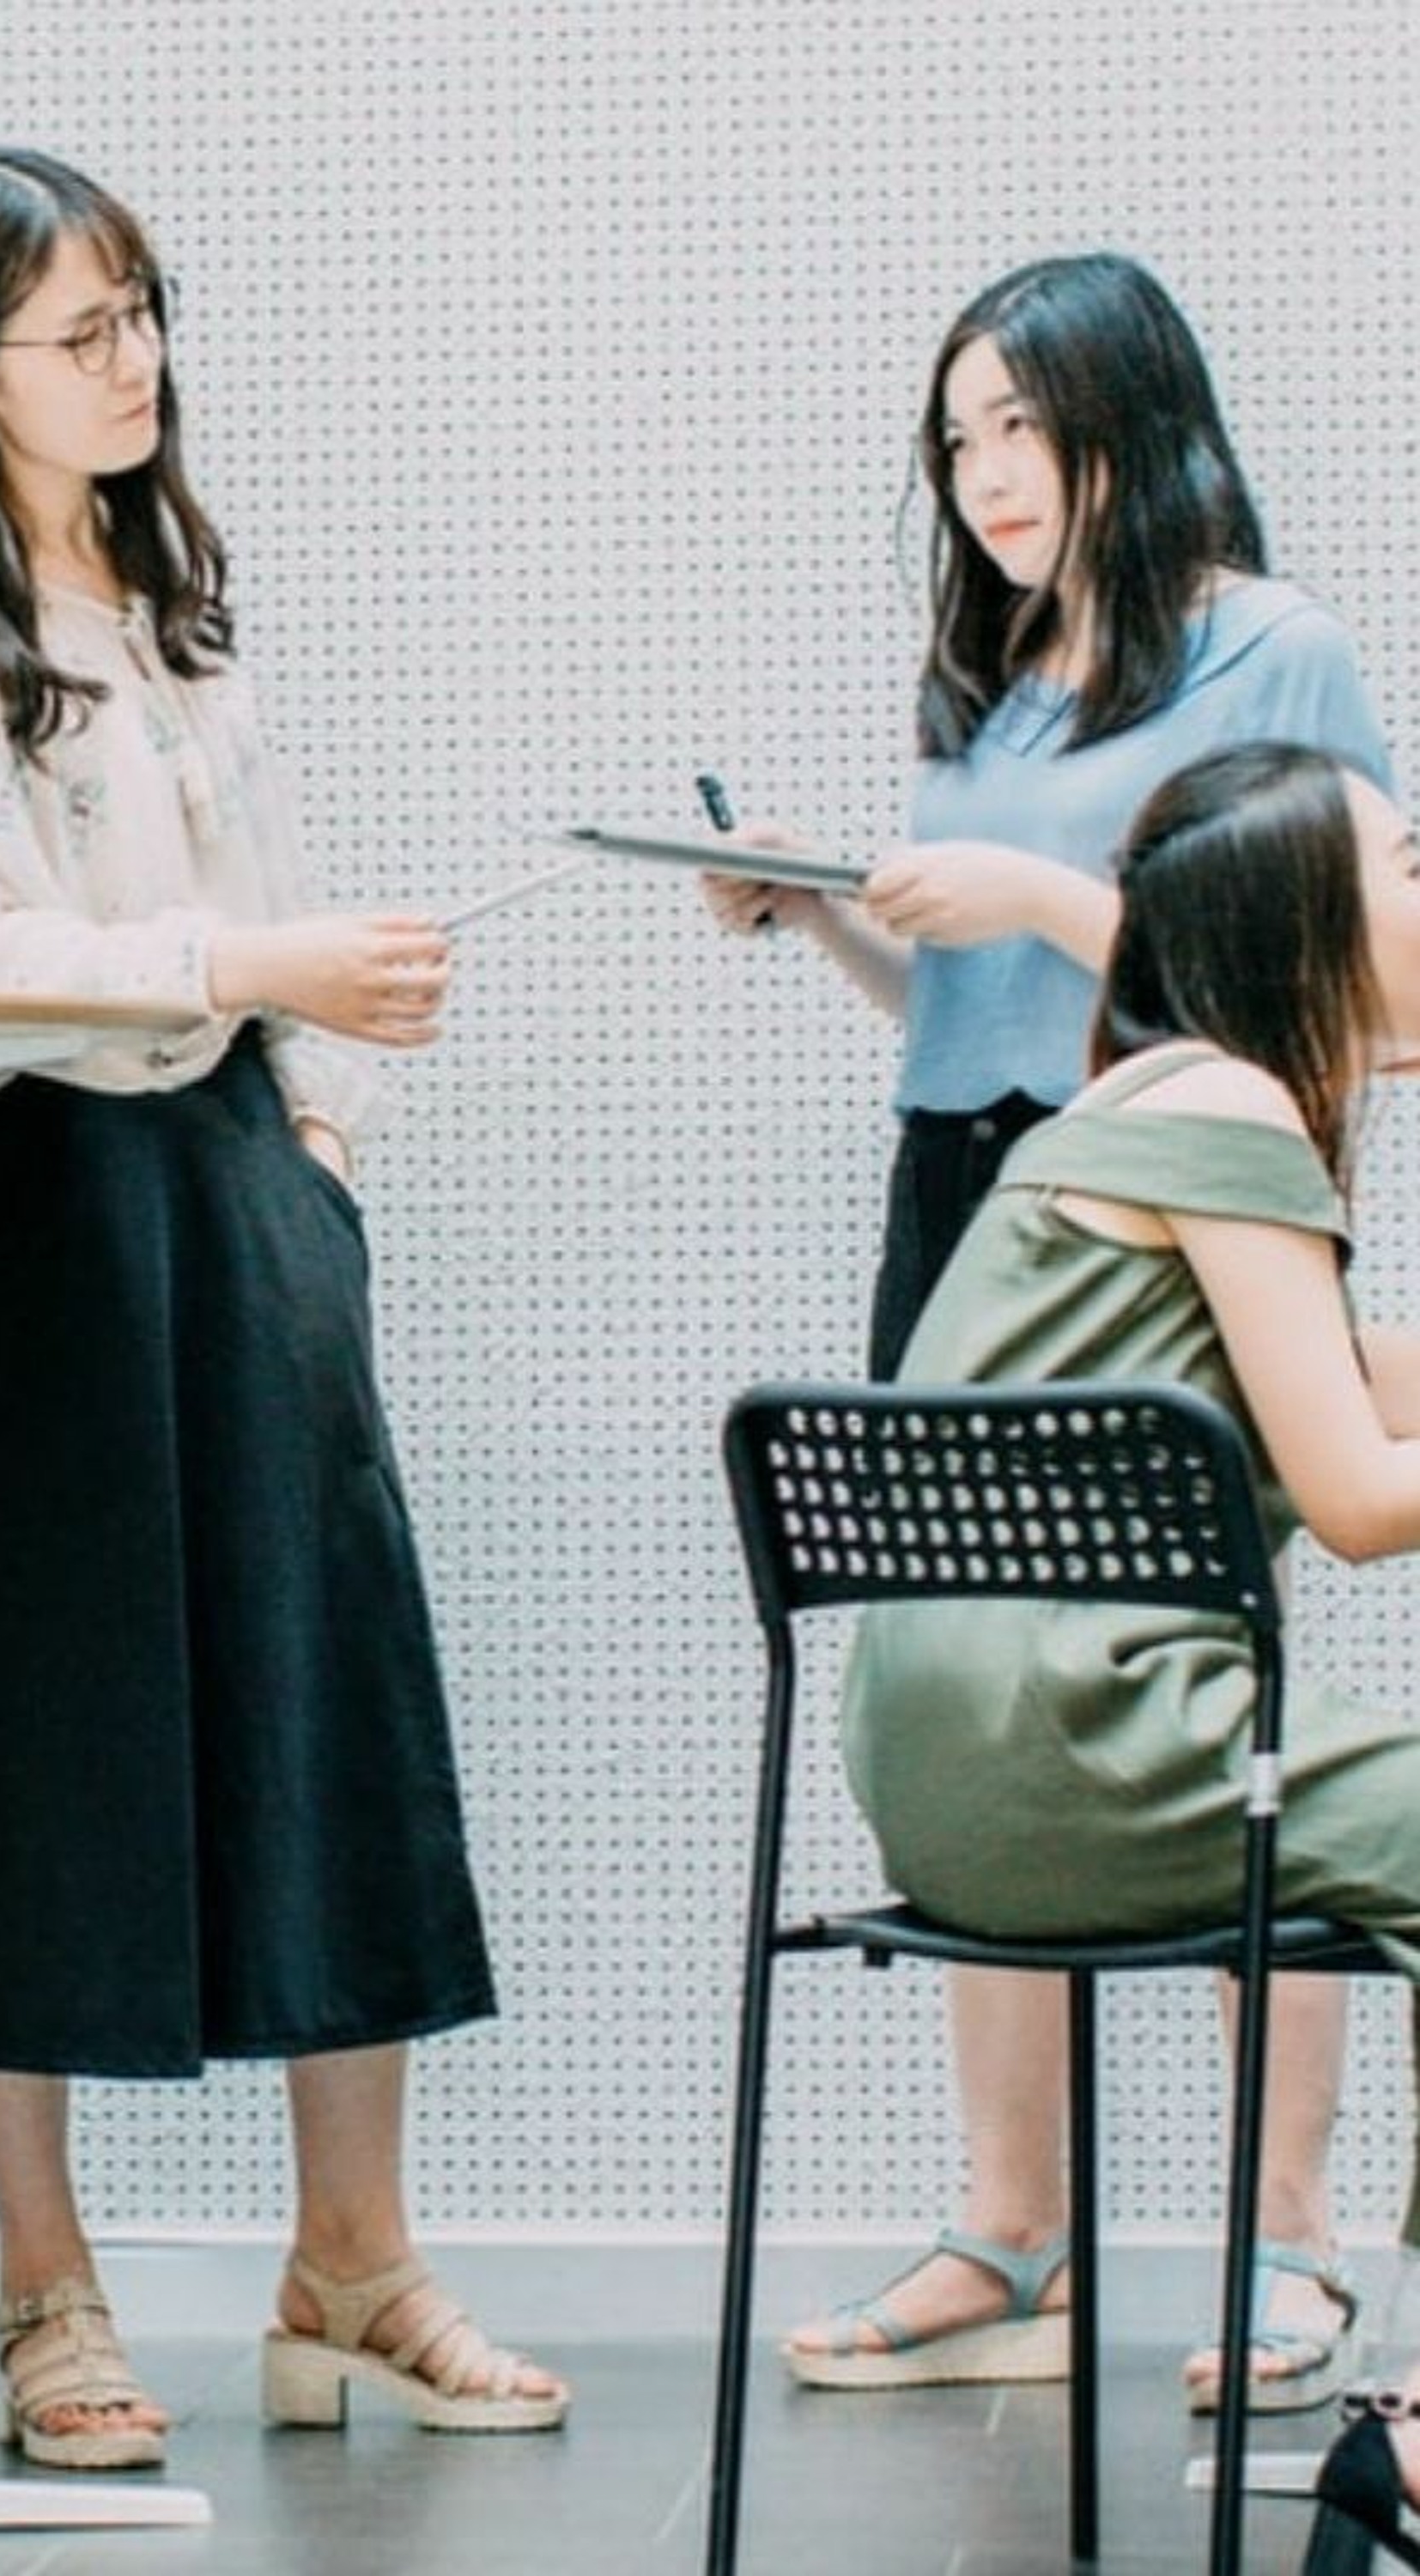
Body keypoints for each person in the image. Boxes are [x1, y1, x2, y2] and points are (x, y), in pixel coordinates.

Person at [0, 147, 563, 2472]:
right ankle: (47, 2290)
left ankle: (357, 2265)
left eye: (143, 313)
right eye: (80, 331)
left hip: (234, 1182)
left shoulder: (165, 586)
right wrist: (248, 970)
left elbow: (281, 899)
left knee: (327, 1706)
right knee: (32, 1732)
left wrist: (312, 1139)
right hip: (36, 1207)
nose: (132, 363)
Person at [706, 252, 1392, 2411]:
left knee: (1217, 1682)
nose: (986, 475)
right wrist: (831, 913)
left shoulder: (1276, 651)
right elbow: (966, 1011)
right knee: (987, 1665)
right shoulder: (991, 688)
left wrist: (1029, 894)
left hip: (1190, 1181)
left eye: (1023, 425)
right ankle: (1016, 2229)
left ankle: (1282, 2244)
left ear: (1133, 419)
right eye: (957, 437)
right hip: (979, 1184)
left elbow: (1307, 966)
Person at [806, 739, 1420, 2572]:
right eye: (1407, 862)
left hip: (956, 1767)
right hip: (1089, 1738)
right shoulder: (1230, 1111)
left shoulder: (1139, 1103)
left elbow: (1343, 1378)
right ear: (1307, 926)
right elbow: (1356, 1495)